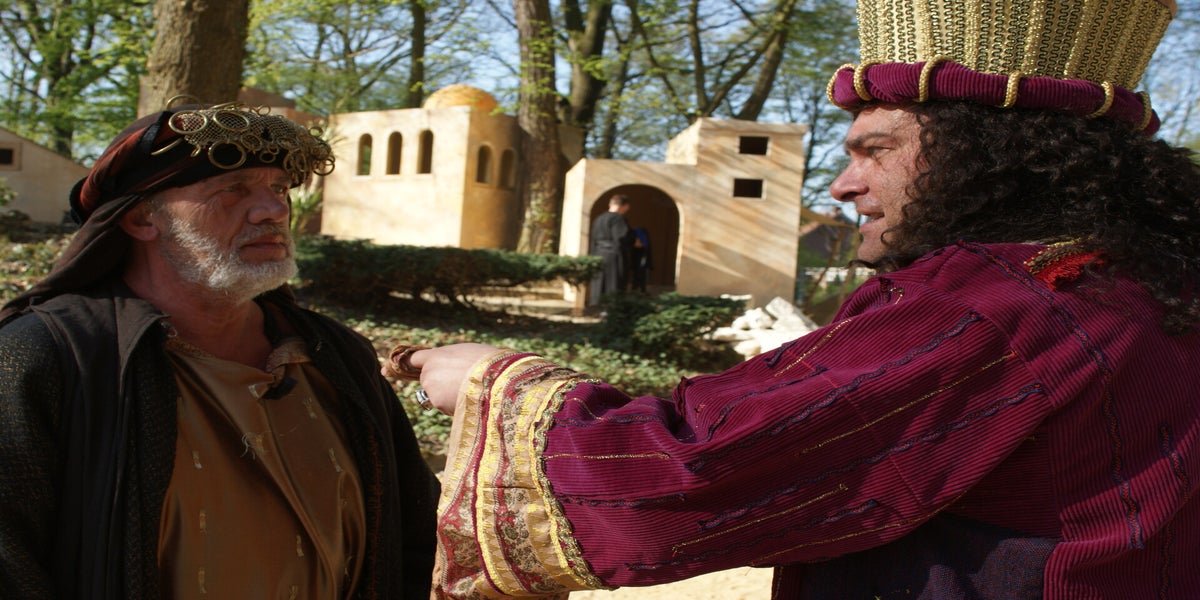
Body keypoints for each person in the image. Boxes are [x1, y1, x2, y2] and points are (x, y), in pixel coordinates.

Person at [392, 0, 1200, 597]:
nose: (844, 184)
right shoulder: (1143, 283)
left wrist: (499, 384)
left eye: (875, 150)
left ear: (986, 154)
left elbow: (701, 468)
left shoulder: (991, 307)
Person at [0, 99, 439, 599]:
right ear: (141, 218)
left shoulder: (337, 355)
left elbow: (414, 538)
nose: (275, 210)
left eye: (279, 188)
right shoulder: (43, 359)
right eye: (233, 189)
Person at [587, 194, 633, 305]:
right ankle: (611, 308)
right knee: (613, 283)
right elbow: (621, 238)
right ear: (624, 206)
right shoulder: (618, 218)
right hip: (613, 256)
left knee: (599, 283)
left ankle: (597, 306)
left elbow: (593, 239)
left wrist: (592, 256)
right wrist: (633, 240)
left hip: (598, 254)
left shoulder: (598, 219)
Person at [629, 226, 652, 293]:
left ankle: (638, 289)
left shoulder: (639, 236)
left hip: (641, 259)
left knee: (640, 273)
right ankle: (640, 289)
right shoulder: (641, 236)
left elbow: (639, 246)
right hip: (639, 259)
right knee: (640, 274)